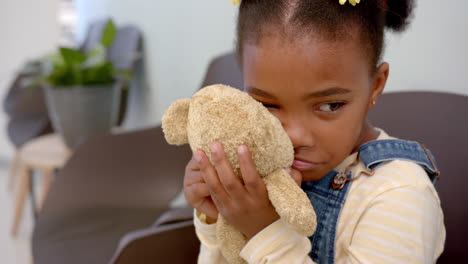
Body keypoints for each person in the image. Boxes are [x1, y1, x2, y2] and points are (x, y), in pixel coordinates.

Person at [183, 0, 445, 263]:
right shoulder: (259, 173)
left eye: (330, 105)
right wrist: (220, 218)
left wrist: (263, 233)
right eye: (267, 105)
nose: (294, 136)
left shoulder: (400, 195)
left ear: (375, 86)